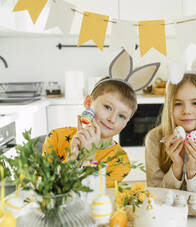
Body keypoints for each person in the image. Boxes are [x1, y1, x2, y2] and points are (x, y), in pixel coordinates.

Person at [43, 49, 160, 188]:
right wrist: (75, 157)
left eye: (122, 116)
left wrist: (88, 158)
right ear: (88, 102)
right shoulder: (56, 137)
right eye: (107, 107)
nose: (112, 119)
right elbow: (47, 190)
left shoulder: (120, 162)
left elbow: (91, 199)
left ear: (126, 123)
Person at [145, 73, 196, 199]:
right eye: (178, 104)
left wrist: (193, 171)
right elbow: (156, 197)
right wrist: (176, 168)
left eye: (195, 103)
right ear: (168, 108)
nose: (186, 111)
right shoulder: (155, 139)